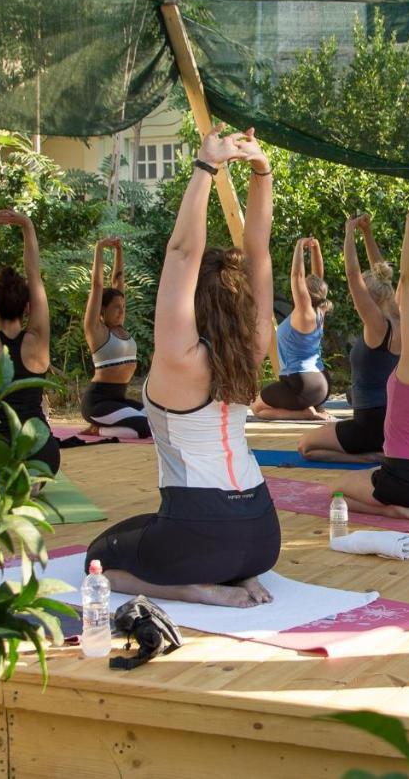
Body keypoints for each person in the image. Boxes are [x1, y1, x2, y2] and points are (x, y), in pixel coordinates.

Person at [85, 127, 280, 607]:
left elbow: (182, 253)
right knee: (147, 526)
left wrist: (205, 167)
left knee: (99, 556)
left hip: (203, 532)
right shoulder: (254, 346)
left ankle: (198, 591)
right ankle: (241, 576)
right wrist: (261, 169)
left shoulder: (181, 360)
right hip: (262, 533)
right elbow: (259, 252)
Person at [330, 211, 409, 520]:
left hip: (408, 481)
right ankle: (404, 504)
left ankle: (400, 512)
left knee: (336, 491)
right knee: (371, 476)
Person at [298, 214, 400, 463]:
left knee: (305, 447)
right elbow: (381, 273)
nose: (356, 303)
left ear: (370, 300)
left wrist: (349, 233)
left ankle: (368, 457)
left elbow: (354, 276)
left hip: (371, 425)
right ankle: (371, 450)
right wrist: (367, 233)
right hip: (391, 422)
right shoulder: (398, 315)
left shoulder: (378, 326)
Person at [0, 209, 60, 476]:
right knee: (32, 468)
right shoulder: (37, 339)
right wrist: (27, 226)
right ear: (28, 308)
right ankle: (30, 478)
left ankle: (12, 479)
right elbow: (34, 276)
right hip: (42, 452)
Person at [251, 237, 332, 421]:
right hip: (321, 383)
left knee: (257, 408)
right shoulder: (319, 310)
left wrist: (298, 247)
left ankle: (304, 413)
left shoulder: (305, 312)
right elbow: (318, 276)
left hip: (303, 385)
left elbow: (297, 276)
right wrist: (315, 249)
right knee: (266, 401)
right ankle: (312, 408)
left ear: (304, 292)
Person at [79, 236, 150, 439]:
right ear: (102, 309)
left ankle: (102, 427)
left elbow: (118, 280)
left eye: (123, 307)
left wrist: (119, 250)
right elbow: (97, 286)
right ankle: (98, 429)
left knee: (158, 421)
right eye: (116, 308)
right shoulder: (97, 330)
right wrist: (99, 248)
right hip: (97, 403)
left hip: (118, 399)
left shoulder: (120, 328)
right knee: (143, 428)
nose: (121, 311)